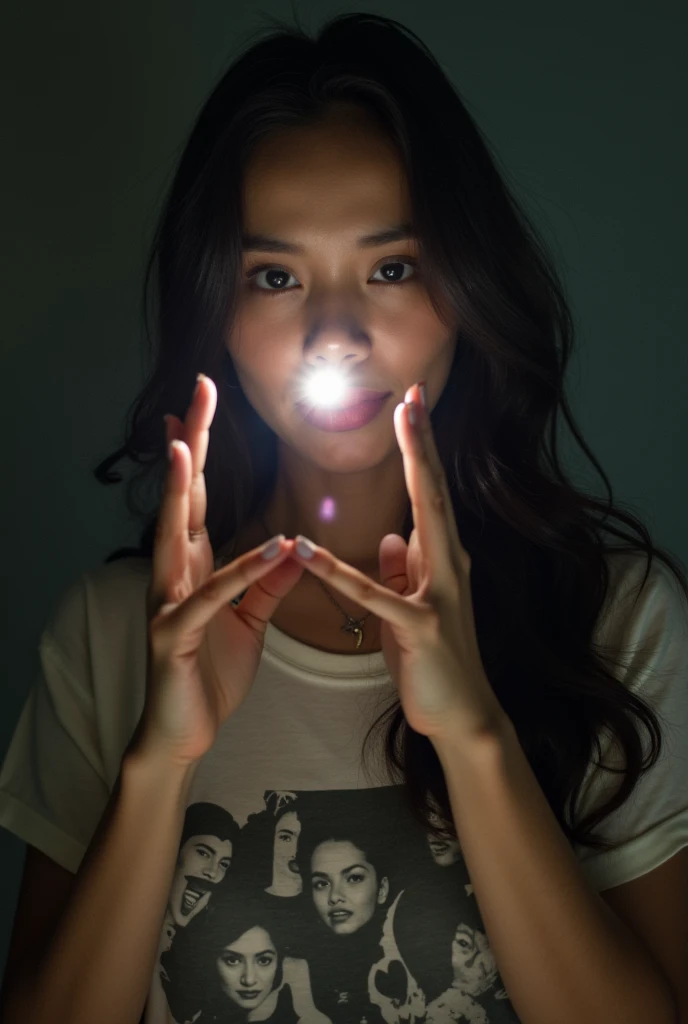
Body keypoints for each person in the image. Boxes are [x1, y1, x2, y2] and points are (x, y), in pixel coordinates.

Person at [0, 10, 686, 1024]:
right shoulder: (114, 636)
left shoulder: (614, 618)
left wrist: (473, 735)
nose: (335, 333)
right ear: (218, 315)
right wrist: (163, 760)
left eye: (392, 267)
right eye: (274, 277)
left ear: (464, 289)